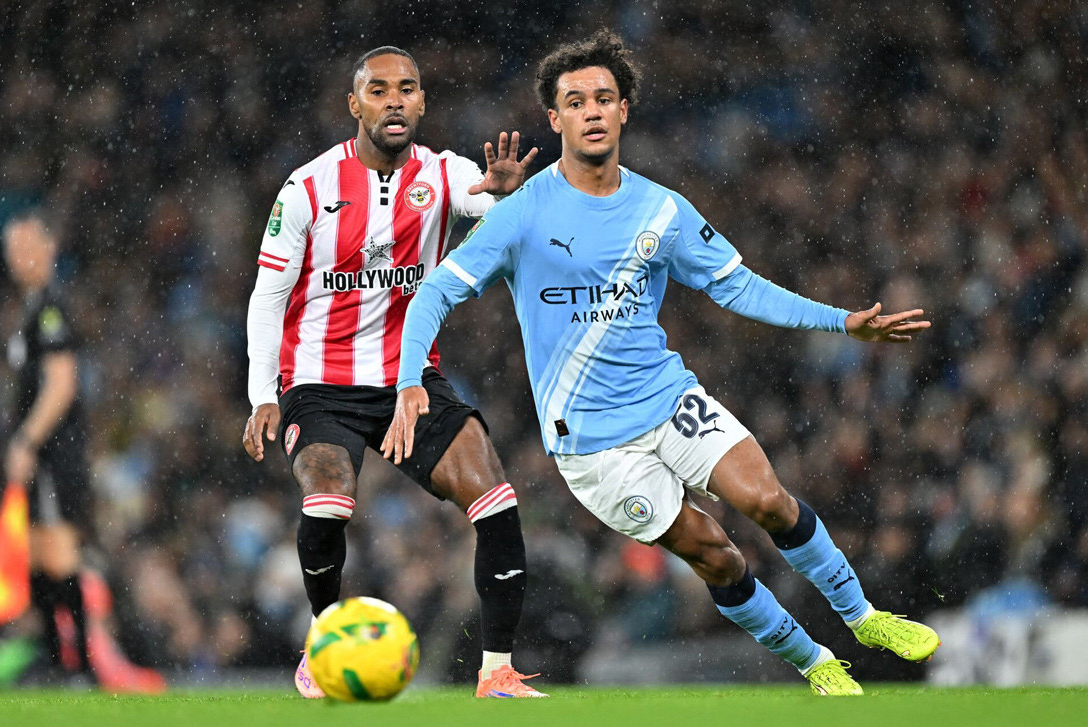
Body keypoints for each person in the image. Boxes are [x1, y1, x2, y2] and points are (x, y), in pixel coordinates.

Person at [384, 30, 940, 696]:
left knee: (768, 500)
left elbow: (738, 286)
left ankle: (865, 617)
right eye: (574, 102)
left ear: (623, 110)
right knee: (717, 555)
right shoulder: (520, 213)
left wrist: (840, 320)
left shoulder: (660, 209)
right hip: (593, 445)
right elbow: (435, 292)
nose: (591, 111)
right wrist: (410, 379)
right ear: (555, 119)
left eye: (603, 98)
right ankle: (814, 661)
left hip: (668, 398)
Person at [242, 46, 547, 699]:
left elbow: (500, 216)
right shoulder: (307, 187)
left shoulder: (445, 173)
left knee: (495, 497)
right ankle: (322, 644)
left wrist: (507, 196)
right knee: (329, 495)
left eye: (406, 88)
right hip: (319, 382)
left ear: (422, 102)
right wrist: (262, 392)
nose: (394, 101)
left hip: (407, 380)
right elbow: (268, 296)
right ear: (354, 104)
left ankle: (496, 670)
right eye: (378, 90)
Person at [1, 210, 95, 683]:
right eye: (11, 250)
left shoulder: (51, 308)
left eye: (26, 247)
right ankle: (55, 659)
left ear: (49, 247)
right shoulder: (31, 307)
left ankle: (81, 665)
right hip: (43, 453)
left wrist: (26, 439)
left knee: (59, 550)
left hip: (57, 451)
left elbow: (61, 383)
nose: (18, 258)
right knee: (37, 551)